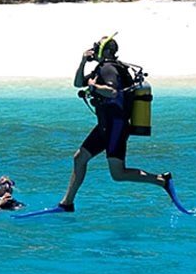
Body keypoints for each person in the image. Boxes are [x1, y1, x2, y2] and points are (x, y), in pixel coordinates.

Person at [58, 35, 171, 212]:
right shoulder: (102, 69)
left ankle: (162, 181)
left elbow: (112, 92)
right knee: (80, 158)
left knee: (118, 174)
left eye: (96, 47)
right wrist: (82, 62)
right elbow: (78, 83)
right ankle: (67, 203)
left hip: (115, 127)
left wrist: (94, 87)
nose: (93, 50)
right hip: (106, 125)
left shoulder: (107, 68)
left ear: (106, 50)